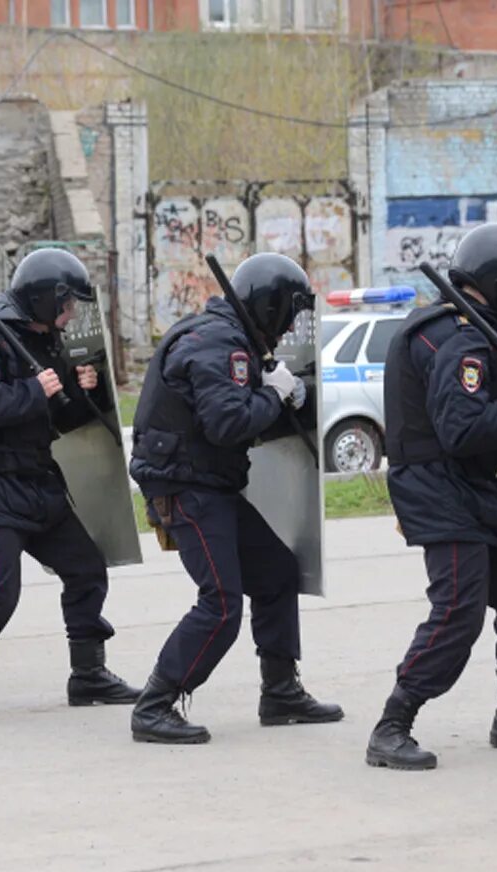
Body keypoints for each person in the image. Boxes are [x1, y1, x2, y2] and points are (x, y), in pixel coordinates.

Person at [365, 222, 497, 771]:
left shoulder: (458, 329)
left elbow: (471, 409)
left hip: (468, 489)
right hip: (439, 491)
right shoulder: (459, 339)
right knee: (458, 608)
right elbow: (461, 429)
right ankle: (392, 725)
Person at [0, 248, 139, 725]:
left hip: (36, 481)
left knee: (85, 568)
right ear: (44, 299)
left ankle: (88, 675)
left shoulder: (42, 342)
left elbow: (60, 419)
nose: (71, 314)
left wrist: (87, 391)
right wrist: (36, 389)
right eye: (66, 303)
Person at [128, 252, 341, 745]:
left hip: (208, 483)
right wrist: (274, 395)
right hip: (188, 488)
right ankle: (155, 703)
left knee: (276, 573)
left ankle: (281, 691)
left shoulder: (225, 336)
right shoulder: (221, 343)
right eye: (288, 315)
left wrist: (282, 393)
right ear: (269, 308)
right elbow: (227, 423)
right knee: (221, 604)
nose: (289, 328)